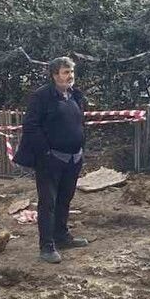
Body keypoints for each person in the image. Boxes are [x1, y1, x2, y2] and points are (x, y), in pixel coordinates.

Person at [15, 57, 90, 264]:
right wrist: (46, 153)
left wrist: (80, 149)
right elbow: (31, 126)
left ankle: (62, 237)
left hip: (73, 159)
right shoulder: (42, 97)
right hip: (51, 160)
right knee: (48, 203)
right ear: (55, 75)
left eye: (72, 72)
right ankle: (47, 246)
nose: (70, 76)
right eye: (66, 72)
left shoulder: (75, 95)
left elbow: (80, 122)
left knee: (65, 199)